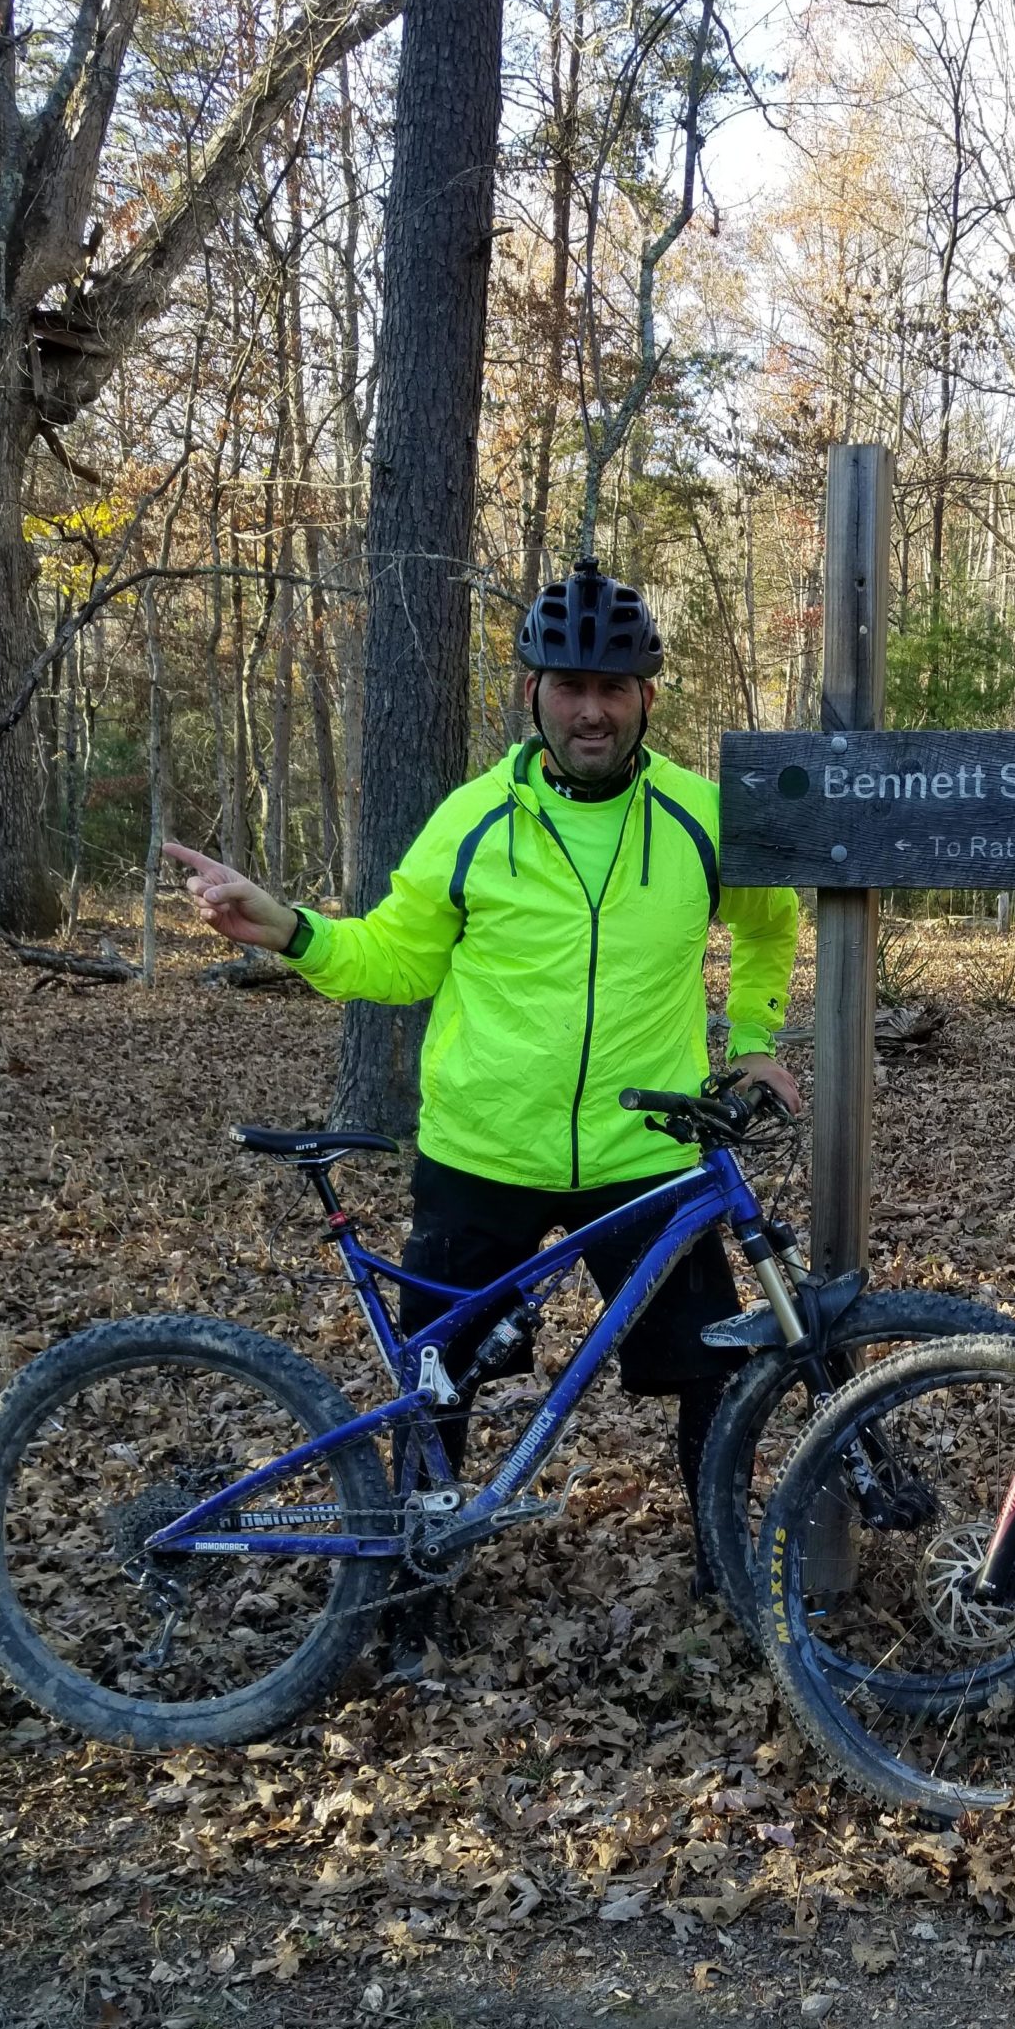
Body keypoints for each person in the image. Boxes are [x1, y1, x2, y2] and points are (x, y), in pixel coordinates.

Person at [165, 557, 801, 1623]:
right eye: (569, 685)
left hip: (646, 1159)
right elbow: (397, 958)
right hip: (479, 1154)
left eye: (612, 688)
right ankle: (417, 1593)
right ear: (533, 694)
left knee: (713, 1378)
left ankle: (726, 1573)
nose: (590, 709)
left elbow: (774, 921)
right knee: (439, 1383)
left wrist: (762, 1036)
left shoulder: (700, 815)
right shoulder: (472, 819)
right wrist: (291, 931)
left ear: (648, 696)